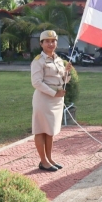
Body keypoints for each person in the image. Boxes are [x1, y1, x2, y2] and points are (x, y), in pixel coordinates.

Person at [31, 30, 73, 172]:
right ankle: (43, 161)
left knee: (50, 130)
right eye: (47, 41)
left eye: (53, 41)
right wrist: (54, 93)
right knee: (40, 130)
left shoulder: (59, 60)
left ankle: (49, 158)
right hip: (44, 99)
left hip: (56, 100)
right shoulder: (38, 61)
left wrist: (67, 72)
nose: (50, 44)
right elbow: (36, 82)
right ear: (41, 44)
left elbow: (63, 80)